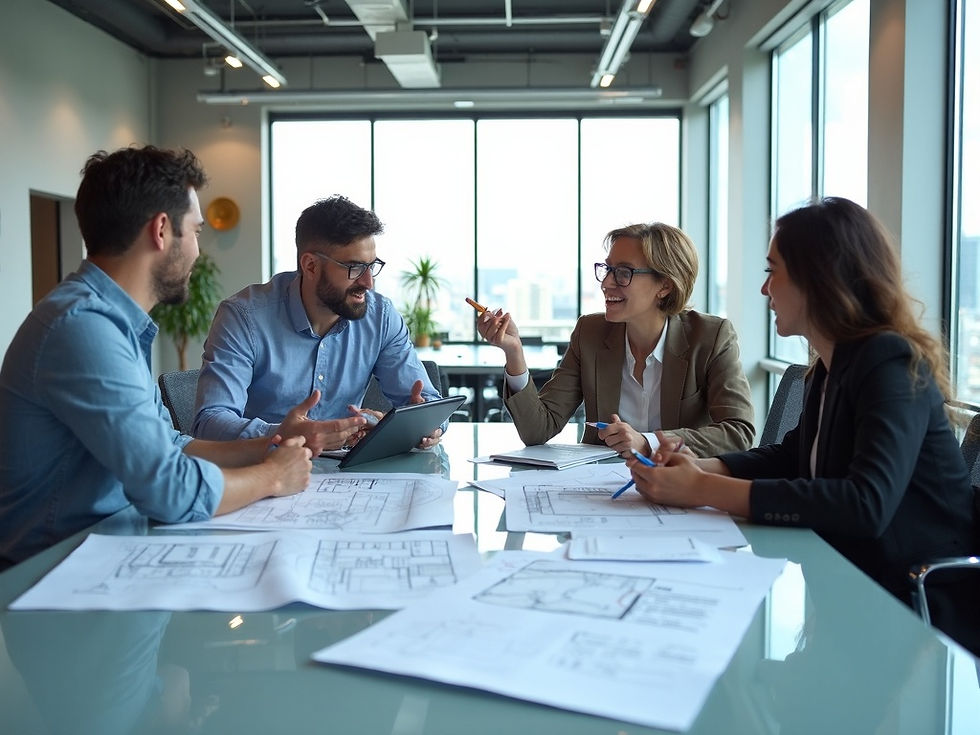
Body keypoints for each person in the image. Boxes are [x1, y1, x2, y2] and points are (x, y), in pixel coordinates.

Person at [626, 197, 980, 655]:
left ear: (819, 278)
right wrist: (700, 466)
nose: (764, 289)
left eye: (773, 271)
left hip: (919, 609)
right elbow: (791, 455)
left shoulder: (889, 360)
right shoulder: (832, 362)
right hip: (852, 588)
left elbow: (865, 503)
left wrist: (700, 490)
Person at [0, 146, 313, 569]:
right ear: (162, 230)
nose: (198, 252)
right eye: (196, 232)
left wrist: (270, 445)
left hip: (103, 556)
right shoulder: (84, 329)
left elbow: (172, 446)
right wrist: (273, 476)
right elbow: (169, 490)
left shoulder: (110, 323)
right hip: (54, 576)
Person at [476, 222, 755, 457]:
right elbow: (538, 429)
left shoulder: (709, 337)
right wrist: (514, 353)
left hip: (678, 491)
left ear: (665, 285)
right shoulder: (591, 333)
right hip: (602, 493)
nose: (606, 282)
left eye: (623, 273)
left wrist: (648, 443)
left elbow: (738, 432)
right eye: (607, 269)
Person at [192, 195, 443, 455]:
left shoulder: (381, 317)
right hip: (263, 469)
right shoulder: (243, 317)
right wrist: (284, 434)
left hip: (349, 478)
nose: (368, 283)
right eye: (355, 268)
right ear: (311, 265)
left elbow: (430, 405)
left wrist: (422, 422)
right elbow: (209, 423)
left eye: (372, 266)